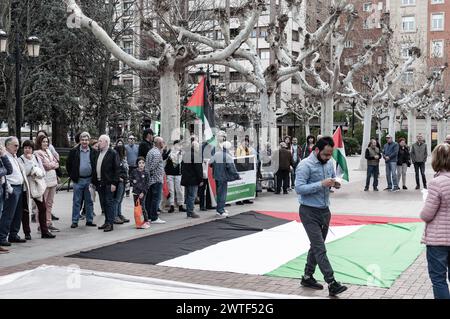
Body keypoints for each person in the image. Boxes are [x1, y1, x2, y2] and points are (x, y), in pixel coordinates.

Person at [295, 136, 348, 296]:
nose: (327, 158)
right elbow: (299, 188)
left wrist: (335, 183)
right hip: (308, 211)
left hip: (325, 211)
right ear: (316, 150)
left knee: (316, 246)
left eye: (330, 155)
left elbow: (331, 180)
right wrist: (321, 184)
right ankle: (332, 282)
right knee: (320, 248)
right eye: (325, 154)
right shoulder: (305, 165)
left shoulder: (329, 163)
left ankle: (307, 276)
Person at [420, 143, 450, 299]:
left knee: (439, 280)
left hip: (438, 240)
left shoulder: (436, 183)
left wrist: (426, 201)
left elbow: (427, 214)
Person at [19, 140, 55, 239]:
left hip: (37, 186)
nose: (27, 150)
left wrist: (36, 172)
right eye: (25, 148)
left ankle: (44, 231)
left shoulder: (36, 157)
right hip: (26, 188)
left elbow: (42, 172)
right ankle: (27, 233)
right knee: (26, 210)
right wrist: (31, 164)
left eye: (29, 148)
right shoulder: (20, 160)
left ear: (32, 149)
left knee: (42, 208)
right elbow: (24, 172)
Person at [0, 137, 29, 246]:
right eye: (15, 145)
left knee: (18, 213)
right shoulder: (4, 157)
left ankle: (13, 234)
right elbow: (6, 173)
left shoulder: (14, 156)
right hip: (11, 187)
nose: (17, 147)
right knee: (8, 213)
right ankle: (2, 237)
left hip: (19, 186)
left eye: (18, 145)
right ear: (7, 146)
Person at [67, 132, 97, 229]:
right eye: (83, 140)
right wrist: (72, 176)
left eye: (86, 140)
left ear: (89, 141)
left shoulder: (93, 151)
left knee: (89, 201)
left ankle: (89, 220)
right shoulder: (74, 151)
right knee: (76, 201)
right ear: (80, 140)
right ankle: (75, 221)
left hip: (89, 180)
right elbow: (68, 165)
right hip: (78, 180)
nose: (84, 141)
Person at [93, 135, 120, 232]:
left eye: (100, 141)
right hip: (100, 182)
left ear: (106, 142)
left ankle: (110, 223)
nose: (98, 143)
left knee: (109, 203)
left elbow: (117, 169)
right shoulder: (98, 153)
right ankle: (106, 221)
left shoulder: (112, 153)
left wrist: (114, 183)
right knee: (104, 203)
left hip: (109, 183)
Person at [35, 135, 60, 232]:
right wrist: (53, 165)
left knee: (49, 203)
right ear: (39, 143)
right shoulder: (37, 153)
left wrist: (52, 165)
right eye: (43, 142)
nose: (45, 143)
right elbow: (45, 166)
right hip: (44, 182)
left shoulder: (49, 151)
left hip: (52, 181)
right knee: (42, 205)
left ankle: (48, 222)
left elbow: (56, 162)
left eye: (46, 142)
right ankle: (40, 224)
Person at [209, 141, 240, 217]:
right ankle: (221, 210)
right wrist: (237, 176)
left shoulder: (216, 154)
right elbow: (232, 168)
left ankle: (219, 209)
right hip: (223, 177)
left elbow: (210, 164)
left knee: (219, 193)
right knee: (222, 194)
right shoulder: (228, 156)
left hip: (216, 176)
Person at [145, 136, 166, 224]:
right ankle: (154, 217)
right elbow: (152, 167)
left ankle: (149, 216)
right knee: (155, 199)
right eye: (163, 142)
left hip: (151, 180)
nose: (163, 144)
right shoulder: (157, 153)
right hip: (156, 180)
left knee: (150, 199)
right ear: (159, 143)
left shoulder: (151, 151)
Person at [181, 141, 203, 218]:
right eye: (198, 147)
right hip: (193, 179)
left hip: (186, 179)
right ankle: (191, 211)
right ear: (195, 147)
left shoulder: (186, 155)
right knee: (192, 196)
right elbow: (198, 169)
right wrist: (201, 180)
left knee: (188, 196)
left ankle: (188, 211)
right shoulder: (196, 156)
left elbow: (182, 167)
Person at [165, 140, 186, 213]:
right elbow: (164, 157)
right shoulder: (170, 152)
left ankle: (180, 205)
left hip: (178, 174)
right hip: (170, 173)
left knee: (179, 190)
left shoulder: (181, 153)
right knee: (171, 190)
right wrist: (168, 151)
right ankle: (172, 205)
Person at [131, 157, 150, 228]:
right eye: (139, 163)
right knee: (137, 207)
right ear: (137, 164)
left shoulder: (146, 173)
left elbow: (147, 184)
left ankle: (146, 220)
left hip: (142, 193)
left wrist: (143, 192)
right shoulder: (134, 171)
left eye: (143, 163)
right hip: (135, 192)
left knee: (142, 206)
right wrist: (132, 181)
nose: (141, 164)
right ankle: (138, 220)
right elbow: (131, 179)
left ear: (145, 164)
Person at [0, 144, 13, 252]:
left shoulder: (1, 157)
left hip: (1, 191)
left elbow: (9, 169)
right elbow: (3, 171)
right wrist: (2, 170)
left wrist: (3, 155)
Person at [113, 144, 130, 224]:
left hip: (124, 181)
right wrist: (119, 179)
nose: (126, 151)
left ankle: (119, 214)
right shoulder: (117, 160)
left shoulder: (123, 159)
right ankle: (115, 216)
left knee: (120, 199)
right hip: (120, 181)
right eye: (124, 150)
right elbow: (116, 171)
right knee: (117, 199)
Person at [235, 137, 254, 205]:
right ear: (241, 142)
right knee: (240, 184)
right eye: (244, 141)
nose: (246, 143)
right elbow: (238, 159)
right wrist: (244, 165)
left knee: (246, 184)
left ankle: (245, 198)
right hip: (241, 168)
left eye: (247, 142)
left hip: (247, 169)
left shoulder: (248, 149)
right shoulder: (239, 149)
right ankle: (238, 200)